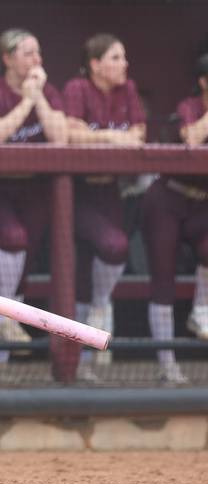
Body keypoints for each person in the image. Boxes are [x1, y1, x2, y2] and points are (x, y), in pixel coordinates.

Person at [0, 28, 67, 370]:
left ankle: (2, 366)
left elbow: (61, 137)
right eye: (28, 53)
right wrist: (26, 100)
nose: (37, 61)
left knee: (24, 262)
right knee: (14, 238)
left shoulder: (48, 91)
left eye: (38, 53)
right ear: (8, 58)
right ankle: (1, 327)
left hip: (33, 190)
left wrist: (38, 97)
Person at [63, 34, 146, 380]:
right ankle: (75, 361)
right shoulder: (77, 88)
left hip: (110, 190)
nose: (124, 63)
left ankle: (94, 328)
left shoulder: (127, 90)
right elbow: (71, 131)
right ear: (95, 64)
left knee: (110, 256)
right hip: (76, 192)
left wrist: (114, 136)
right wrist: (111, 137)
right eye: (115, 57)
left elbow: (139, 132)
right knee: (102, 254)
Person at [141, 53, 208, 384]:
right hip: (168, 197)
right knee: (163, 281)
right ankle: (167, 365)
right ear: (203, 82)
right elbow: (192, 138)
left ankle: (201, 312)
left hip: (202, 204)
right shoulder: (189, 106)